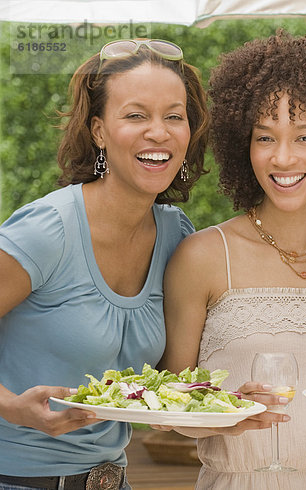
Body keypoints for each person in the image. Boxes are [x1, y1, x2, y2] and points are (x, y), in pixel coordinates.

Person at [159, 30, 306, 489]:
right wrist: (226, 411)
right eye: (265, 137)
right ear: (244, 145)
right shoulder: (202, 256)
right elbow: (166, 410)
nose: (283, 158)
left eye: (304, 137)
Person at [0, 39, 208, 488]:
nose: (159, 132)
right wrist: (8, 406)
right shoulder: (47, 230)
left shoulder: (176, 235)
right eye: (136, 115)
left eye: (174, 116)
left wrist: (231, 397)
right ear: (98, 131)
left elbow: (170, 379)